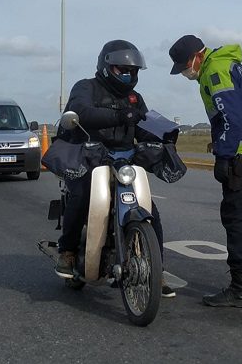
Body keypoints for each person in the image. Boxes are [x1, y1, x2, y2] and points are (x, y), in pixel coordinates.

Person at [55, 39, 176, 297]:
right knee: (80, 195)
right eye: (123, 70)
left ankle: (158, 271)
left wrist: (163, 136)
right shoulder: (87, 88)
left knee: (150, 209)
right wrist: (120, 116)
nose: (128, 75)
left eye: (132, 71)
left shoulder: (134, 98)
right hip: (90, 156)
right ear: (107, 66)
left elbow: (142, 124)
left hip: (123, 160)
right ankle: (66, 251)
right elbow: (81, 112)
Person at [169, 35, 242, 308]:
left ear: (197, 57)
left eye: (184, 66)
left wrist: (224, 153)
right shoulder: (231, 64)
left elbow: (231, 116)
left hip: (241, 155)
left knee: (236, 220)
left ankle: (240, 290)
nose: (184, 72)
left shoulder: (214, 71)